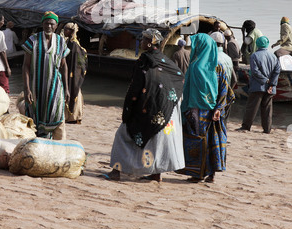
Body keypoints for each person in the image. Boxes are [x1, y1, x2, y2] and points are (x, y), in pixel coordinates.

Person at [105, 28, 185, 182]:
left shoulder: (144, 61)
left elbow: (136, 87)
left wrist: (128, 109)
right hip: (164, 111)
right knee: (157, 143)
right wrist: (169, 100)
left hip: (148, 109)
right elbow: (179, 77)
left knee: (122, 135)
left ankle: (116, 171)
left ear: (149, 44)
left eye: (143, 40)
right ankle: (156, 174)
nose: (140, 42)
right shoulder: (165, 61)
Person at [179, 33, 235, 183]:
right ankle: (211, 174)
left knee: (198, 141)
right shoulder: (218, 67)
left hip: (196, 111)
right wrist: (218, 108)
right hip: (214, 112)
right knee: (212, 141)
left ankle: (198, 173)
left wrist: (184, 109)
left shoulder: (195, 66)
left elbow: (187, 89)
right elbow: (226, 90)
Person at [22, 11, 70, 140]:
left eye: (51, 24)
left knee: (57, 113)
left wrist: (66, 88)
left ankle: (56, 143)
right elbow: (26, 65)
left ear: (56, 26)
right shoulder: (33, 40)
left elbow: (64, 65)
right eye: (46, 23)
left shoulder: (60, 41)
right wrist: (27, 89)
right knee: (35, 115)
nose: (49, 26)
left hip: (55, 87)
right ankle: (37, 142)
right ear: (42, 24)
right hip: (35, 87)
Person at [238, 36, 281, 134]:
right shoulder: (274, 57)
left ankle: (246, 127)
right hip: (270, 88)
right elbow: (277, 71)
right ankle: (267, 129)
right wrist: (271, 84)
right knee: (267, 109)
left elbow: (255, 72)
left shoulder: (254, 56)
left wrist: (265, 80)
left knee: (252, 107)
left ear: (257, 44)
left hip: (257, 86)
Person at [61, 22, 88, 124]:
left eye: (66, 29)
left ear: (71, 31)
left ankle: (73, 116)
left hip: (73, 73)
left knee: (74, 91)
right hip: (69, 71)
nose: (64, 31)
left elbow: (76, 61)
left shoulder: (74, 45)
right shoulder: (69, 42)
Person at [0, 13, 11, 94]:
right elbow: (2, 51)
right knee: (4, 90)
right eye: (2, 20)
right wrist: (7, 67)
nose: (3, 22)